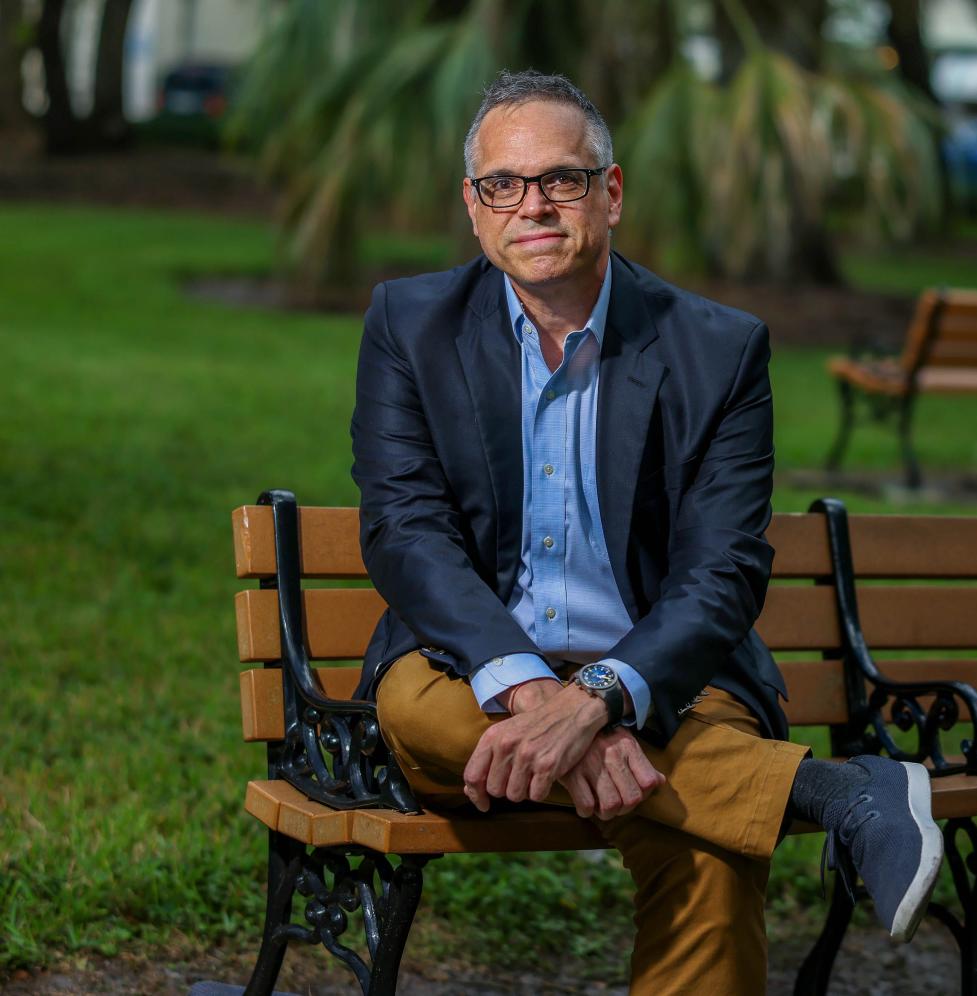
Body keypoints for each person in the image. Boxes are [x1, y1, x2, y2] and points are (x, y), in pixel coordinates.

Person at [351, 69, 942, 994]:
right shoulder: (409, 324)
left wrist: (598, 700)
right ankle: (827, 792)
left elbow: (723, 571)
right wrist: (540, 701)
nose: (533, 206)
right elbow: (405, 531)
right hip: (469, 676)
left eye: (563, 180)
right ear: (474, 208)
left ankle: (771, 785)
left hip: (667, 680)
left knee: (707, 854)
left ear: (611, 193)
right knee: (417, 708)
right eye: (503, 185)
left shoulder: (717, 347)